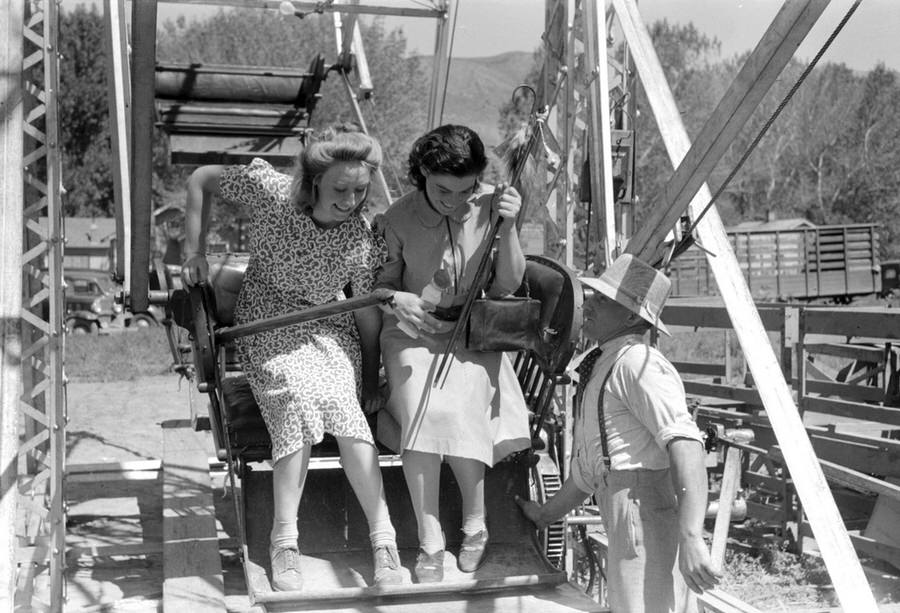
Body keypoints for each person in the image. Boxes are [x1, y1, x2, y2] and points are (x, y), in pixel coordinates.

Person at [180, 126, 403, 591]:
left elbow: (362, 314)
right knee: (297, 402)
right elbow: (201, 178)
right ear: (314, 180)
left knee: (346, 413)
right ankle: (284, 539)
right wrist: (194, 251)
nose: (350, 201)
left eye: (360, 190)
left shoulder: (361, 239)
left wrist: (366, 381)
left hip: (328, 330)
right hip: (266, 323)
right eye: (340, 189)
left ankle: (384, 538)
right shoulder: (272, 194)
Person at [515, 253, 721, 613]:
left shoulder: (640, 364)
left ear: (630, 316)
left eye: (603, 300)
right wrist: (546, 515)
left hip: (644, 508)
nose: (589, 304)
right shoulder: (606, 363)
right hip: (623, 507)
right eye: (593, 296)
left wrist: (691, 536)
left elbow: (686, 444)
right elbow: (591, 472)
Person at [374, 124, 531, 583]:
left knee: (461, 404)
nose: (455, 200)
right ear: (422, 171)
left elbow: (506, 285)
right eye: (443, 189)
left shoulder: (492, 204)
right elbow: (376, 287)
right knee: (426, 408)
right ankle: (430, 540)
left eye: (466, 190)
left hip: (471, 332)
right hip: (410, 331)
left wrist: (509, 226)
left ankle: (475, 524)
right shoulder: (396, 219)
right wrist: (393, 299)